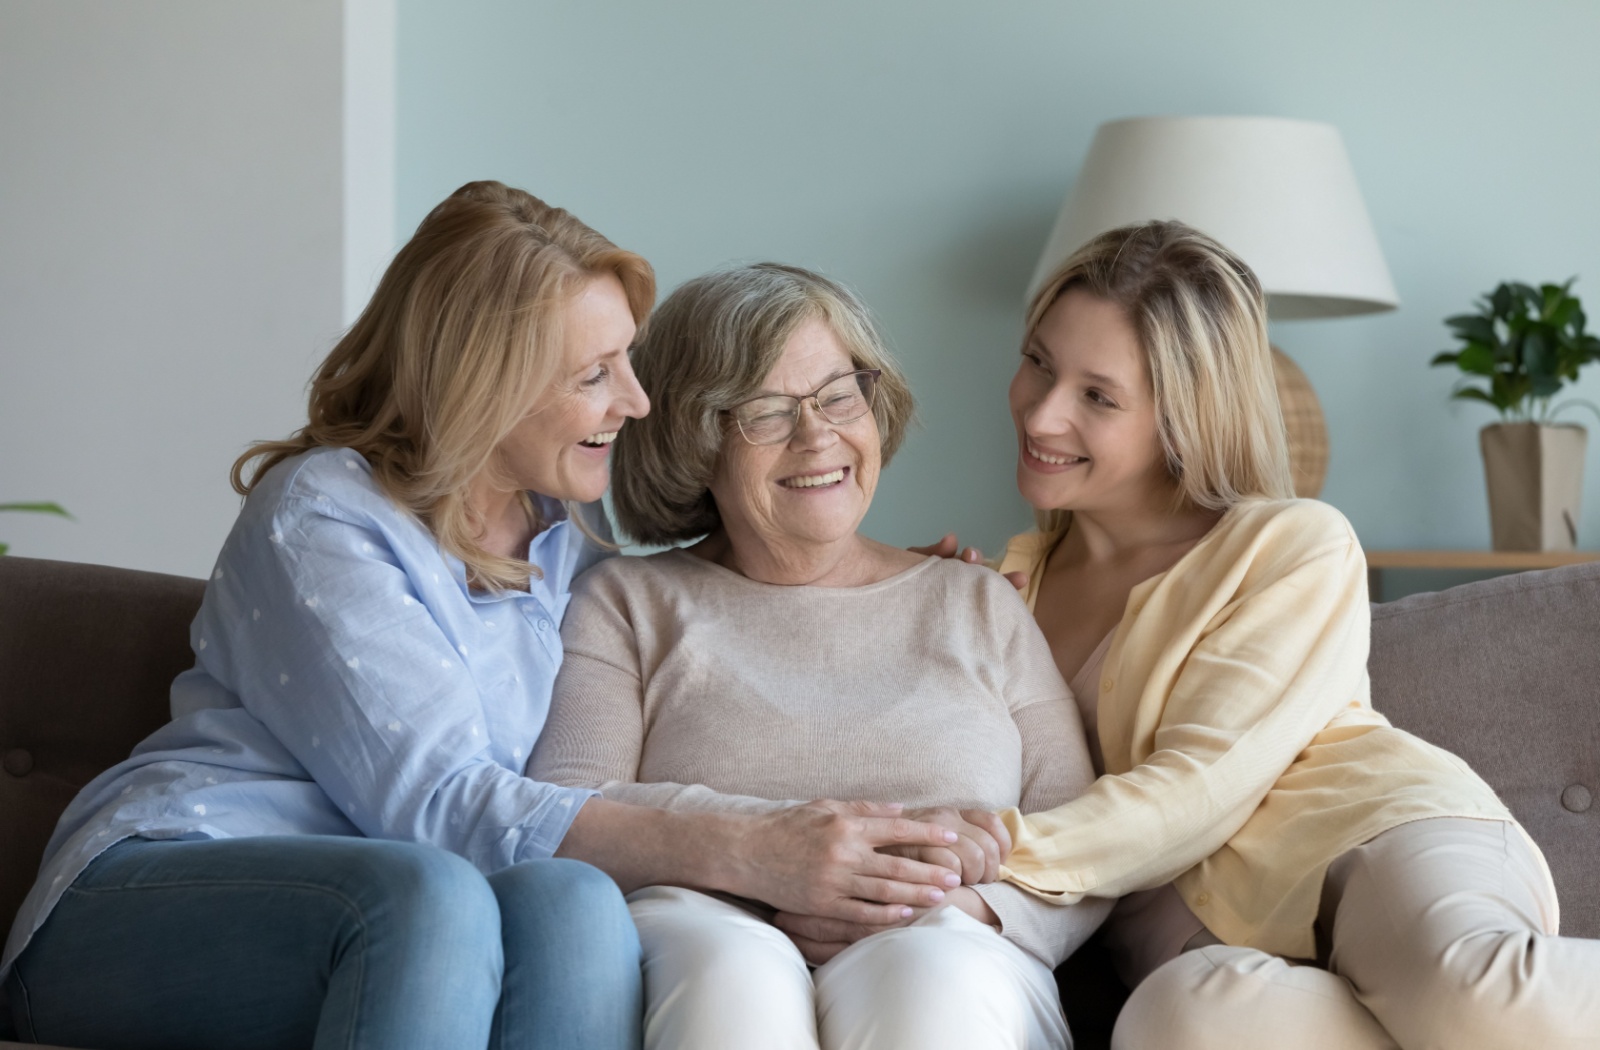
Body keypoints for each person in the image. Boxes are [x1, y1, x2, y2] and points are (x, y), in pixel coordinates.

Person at [1, 183, 966, 1050]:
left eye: (628, 361)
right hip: (160, 894)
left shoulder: (566, 556)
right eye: (595, 373)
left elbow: (704, 599)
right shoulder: (322, 513)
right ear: (483, 380)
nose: (633, 402)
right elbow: (438, 807)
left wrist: (875, 580)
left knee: (576, 901)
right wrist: (754, 849)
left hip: (418, 919)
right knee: (428, 893)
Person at [982, 221, 1600, 1048]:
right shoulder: (996, 594)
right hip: (1200, 945)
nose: (1042, 412)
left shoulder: (1290, 544)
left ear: (1181, 415)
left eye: (1098, 396)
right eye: (1038, 362)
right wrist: (903, 601)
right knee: (1178, 1027)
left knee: (1469, 990)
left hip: (1370, 840)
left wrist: (979, 855)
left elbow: (1201, 782)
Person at [529, 261, 1112, 1050]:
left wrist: (953, 904)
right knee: (730, 977)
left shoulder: (976, 602)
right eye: (767, 413)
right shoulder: (627, 605)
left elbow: (1084, 841)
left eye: (840, 396)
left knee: (934, 981)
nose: (818, 435)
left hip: (951, 933)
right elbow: (565, 816)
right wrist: (774, 856)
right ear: (697, 440)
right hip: (706, 926)